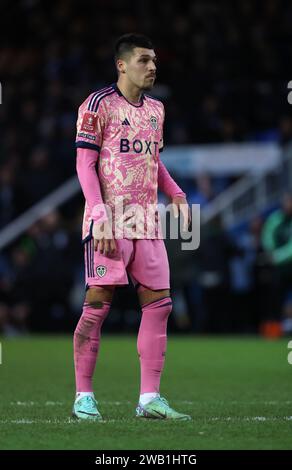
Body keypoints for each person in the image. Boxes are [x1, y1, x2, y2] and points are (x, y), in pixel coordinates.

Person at [73, 33, 191, 421]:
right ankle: (83, 396)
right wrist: (100, 216)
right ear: (122, 64)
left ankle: (149, 398)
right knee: (97, 307)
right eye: (144, 60)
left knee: (160, 305)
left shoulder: (157, 109)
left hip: (147, 221)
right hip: (110, 220)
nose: (152, 66)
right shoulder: (97, 105)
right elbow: (84, 165)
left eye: (154, 60)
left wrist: (175, 194)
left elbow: (153, 162)